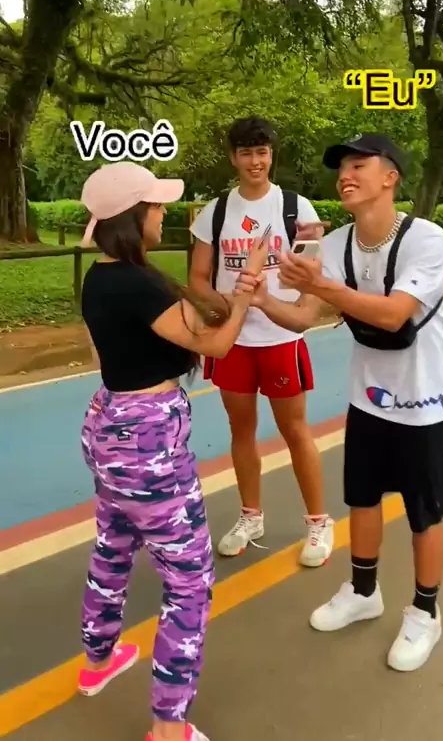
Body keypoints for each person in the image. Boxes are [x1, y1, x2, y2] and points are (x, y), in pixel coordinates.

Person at [235, 133, 443, 672]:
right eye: (342, 167)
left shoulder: (425, 238)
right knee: (362, 499)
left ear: (390, 177)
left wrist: (322, 287)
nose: (346, 174)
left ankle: (425, 613)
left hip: (425, 405)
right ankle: (364, 592)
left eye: (359, 165)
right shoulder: (336, 244)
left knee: (424, 513)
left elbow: (394, 314)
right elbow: (302, 318)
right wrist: (262, 297)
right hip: (369, 403)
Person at [77, 161, 269, 741]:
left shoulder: (100, 278)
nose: (164, 214)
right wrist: (246, 292)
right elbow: (216, 343)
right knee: (188, 580)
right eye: (156, 206)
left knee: (114, 543)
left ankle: (96, 661)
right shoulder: (141, 284)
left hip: (109, 428)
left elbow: (164, 330)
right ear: (134, 216)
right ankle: (167, 724)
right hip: (149, 443)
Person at [189, 116, 334, 567]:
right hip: (234, 341)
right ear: (233, 158)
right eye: (246, 153)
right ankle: (251, 516)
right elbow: (198, 278)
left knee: (295, 430)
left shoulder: (295, 208)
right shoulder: (215, 213)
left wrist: (286, 296)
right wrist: (230, 304)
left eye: (262, 152)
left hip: (280, 337)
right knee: (242, 430)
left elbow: (313, 273)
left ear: (272, 155)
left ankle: (318, 521)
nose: (255, 161)